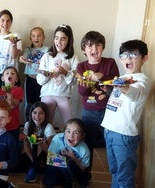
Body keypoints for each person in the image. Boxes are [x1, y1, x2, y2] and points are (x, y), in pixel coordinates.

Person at [101, 39, 150, 188]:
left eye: (134, 54)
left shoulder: (143, 81)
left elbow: (135, 93)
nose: (127, 59)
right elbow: (119, 98)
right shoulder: (122, 78)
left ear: (144, 58)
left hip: (124, 135)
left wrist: (121, 87)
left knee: (124, 176)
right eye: (123, 55)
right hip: (109, 130)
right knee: (114, 170)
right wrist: (106, 90)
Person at [76, 31, 119, 176]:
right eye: (90, 46)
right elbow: (82, 92)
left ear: (103, 47)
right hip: (89, 111)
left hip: (110, 110)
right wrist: (92, 80)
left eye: (98, 45)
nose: (94, 49)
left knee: (112, 144)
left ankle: (116, 176)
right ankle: (85, 175)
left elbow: (116, 83)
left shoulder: (110, 63)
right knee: (87, 144)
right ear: (84, 49)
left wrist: (103, 77)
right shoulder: (81, 67)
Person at [36, 24, 79, 127]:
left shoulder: (72, 57)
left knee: (70, 124)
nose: (59, 42)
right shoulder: (47, 56)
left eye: (63, 39)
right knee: (46, 125)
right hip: (47, 94)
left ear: (69, 40)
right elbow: (40, 81)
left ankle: (66, 142)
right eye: (56, 38)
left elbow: (76, 79)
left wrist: (65, 72)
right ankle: (45, 142)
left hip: (64, 95)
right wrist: (47, 74)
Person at [0, 9, 22, 107]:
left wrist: (14, 43)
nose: (5, 23)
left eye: (8, 21)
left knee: (9, 103)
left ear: (11, 22)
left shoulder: (15, 36)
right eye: (2, 20)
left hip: (10, 75)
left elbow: (15, 56)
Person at [44, 118, 90, 188]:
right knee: (48, 182)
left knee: (70, 163)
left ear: (82, 136)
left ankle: (71, 181)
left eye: (76, 133)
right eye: (68, 131)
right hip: (57, 168)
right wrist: (62, 159)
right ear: (64, 131)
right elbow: (50, 158)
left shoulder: (84, 150)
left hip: (74, 170)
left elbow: (83, 167)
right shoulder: (58, 138)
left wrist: (72, 156)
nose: (71, 136)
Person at [22, 101, 56, 183]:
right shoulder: (27, 125)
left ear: (45, 115)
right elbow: (25, 143)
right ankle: (35, 166)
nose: (37, 116)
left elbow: (49, 151)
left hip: (46, 155)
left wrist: (40, 142)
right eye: (35, 112)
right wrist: (33, 160)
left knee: (54, 168)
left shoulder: (49, 127)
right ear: (31, 113)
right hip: (32, 154)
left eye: (41, 113)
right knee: (16, 165)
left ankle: (35, 169)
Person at [19, 27, 48, 121]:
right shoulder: (28, 50)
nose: (36, 38)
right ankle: (28, 125)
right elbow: (23, 58)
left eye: (39, 35)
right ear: (30, 38)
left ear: (43, 37)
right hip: (30, 80)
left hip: (42, 81)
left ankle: (40, 127)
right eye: (34, 36)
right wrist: (21, 59)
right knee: (29, 104)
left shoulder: (47, 50)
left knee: (41, 104)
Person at [0, 66, 23, 148]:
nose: (10, 75)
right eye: (7, 73)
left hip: (13, 125)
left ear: (16, 79)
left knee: (13, 146)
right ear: (2, 78)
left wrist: (9, 93)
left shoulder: (18, 90)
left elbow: (12, 106)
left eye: (13, 73)